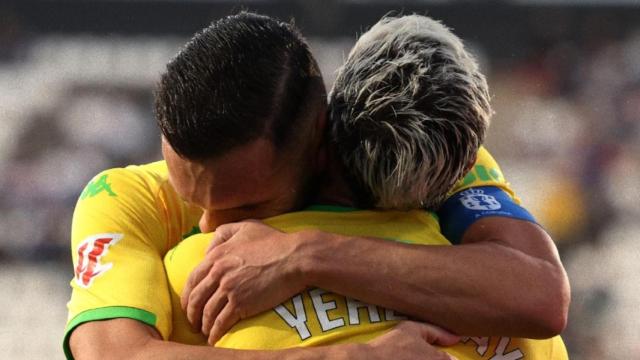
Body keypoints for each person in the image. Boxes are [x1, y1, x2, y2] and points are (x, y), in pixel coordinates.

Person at [65, 12, 568, 360]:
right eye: (188, 195)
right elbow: (114, 354)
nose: (205, 227)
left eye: (245, 205)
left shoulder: (410, 153)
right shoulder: (123, 198)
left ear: (324, 150)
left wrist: (305, 254)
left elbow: (542, 298)